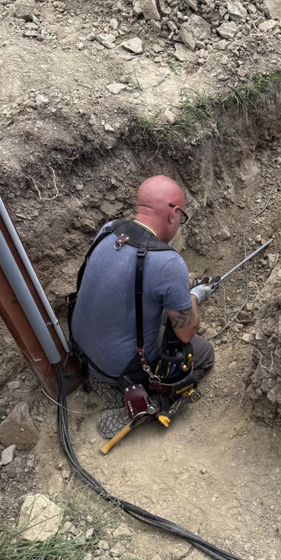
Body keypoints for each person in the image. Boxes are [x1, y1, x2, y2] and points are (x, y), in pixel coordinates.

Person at [70, 175, 215, 438]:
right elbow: (185, 332)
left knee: (156, 312)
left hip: (82, 349)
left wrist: (177, 288)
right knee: (203, 352)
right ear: (173, 214)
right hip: (119, 369)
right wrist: (194, 296)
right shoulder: (168, 262)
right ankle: (149, 404)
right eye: (181, 217)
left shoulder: (110, 229)